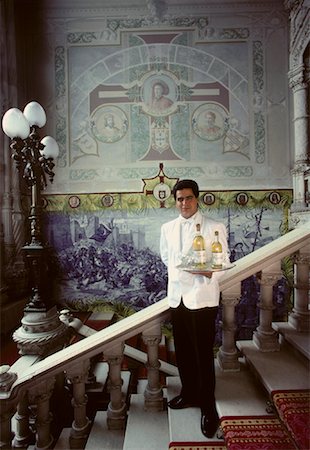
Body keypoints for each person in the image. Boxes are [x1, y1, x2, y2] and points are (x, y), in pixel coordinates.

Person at [160, 179, 229, 438]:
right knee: (185, 352)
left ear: (197, 199)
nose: (184, 203)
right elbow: (166, 257)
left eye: (189, 198)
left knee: (202, 355)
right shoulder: (167, 228)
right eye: (179, 199)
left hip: (202, 298)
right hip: (177, 299)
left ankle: (209, 408)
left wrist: (208, 272)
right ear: (175, 201)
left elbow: (224, 259)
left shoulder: (214, 226)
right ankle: (188, 394)